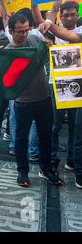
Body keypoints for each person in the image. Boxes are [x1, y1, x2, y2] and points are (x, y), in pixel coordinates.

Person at [7, 12, 64, 187]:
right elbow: (8, 80)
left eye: (26, 30)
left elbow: (47, 46)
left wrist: (48, 44)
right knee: (21, 139)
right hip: (23, 102)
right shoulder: (9, 52)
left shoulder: (33, 39)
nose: (24, 34)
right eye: (20, 31)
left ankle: (46, 169)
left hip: (44, 98)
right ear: (11, 31)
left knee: (46, 136)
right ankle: (22, 172)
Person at [39, 21, 82, 189]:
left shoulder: (78, 31)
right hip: (60, 85)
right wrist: (49, 23)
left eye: (73, 14)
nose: (69, 17)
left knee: (74, 127)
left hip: (74, 87)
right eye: (66, 15)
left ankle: (72, 161)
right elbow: (69, 36)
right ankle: (54, 162)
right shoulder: (71, 34)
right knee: (56, 126)